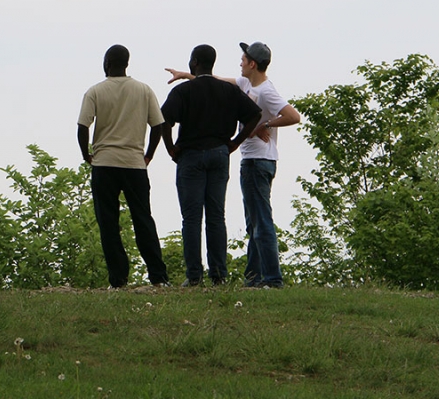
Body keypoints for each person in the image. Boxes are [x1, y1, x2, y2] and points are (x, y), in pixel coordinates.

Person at [166, 41, 300, 288]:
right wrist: (187, 75)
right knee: (240, 219)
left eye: (244, 58)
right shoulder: (243, 85)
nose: (240, 61)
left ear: (253, 64)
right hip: (236, 157)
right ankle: (243, 277)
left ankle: (269, 278)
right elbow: (218, 84)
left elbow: (292, 116)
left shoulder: (265, 90)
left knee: (255, 221)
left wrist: (264, 126)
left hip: (252, 160)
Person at [160, 44, 261, 287]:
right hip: (219, 154)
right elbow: (255, 114)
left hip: (191, 156)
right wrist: (235, 142)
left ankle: (194, 276)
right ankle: (218, 275)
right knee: (216, 216)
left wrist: (170, 147)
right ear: (212, 63)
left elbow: (163, 119)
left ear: (194, 62)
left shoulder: (184, 91)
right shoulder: (227, 90)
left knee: (192, 218)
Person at [77, 44, 169, 289]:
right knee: (143, 219)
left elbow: (83, 127)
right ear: (127, 64)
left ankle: (118, 279)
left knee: (108, 222)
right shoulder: (144, 90)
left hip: (105, 163)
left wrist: (87, 154)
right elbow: (158, 125)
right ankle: (158, 276)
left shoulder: (95, 91)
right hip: (134, 163)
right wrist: (148, 155)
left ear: (106, 62)